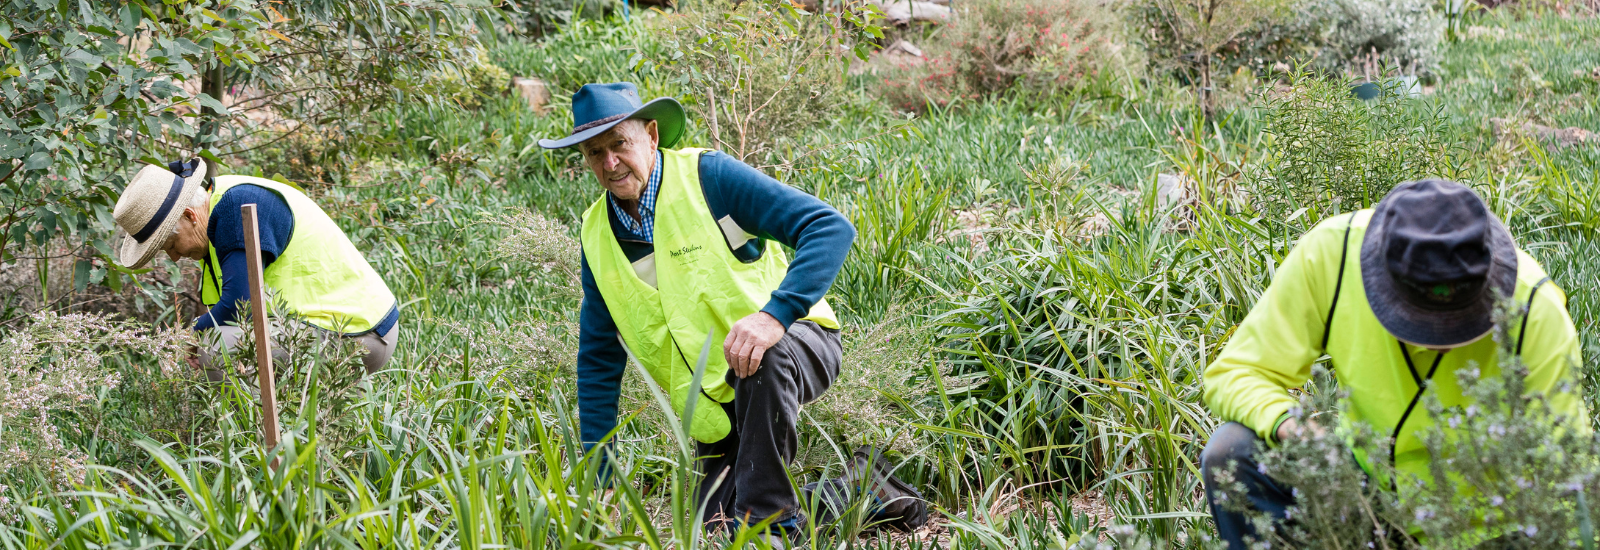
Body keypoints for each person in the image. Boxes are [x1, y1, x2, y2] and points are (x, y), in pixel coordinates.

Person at [539, 82, 922, 542]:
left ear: (652, 135)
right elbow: (599, 358)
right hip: (716, 404)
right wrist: (600, 479)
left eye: (620, 143)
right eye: (594, 152)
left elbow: (828, 226)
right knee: (718, 530)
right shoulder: (596, 236)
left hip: (794, 341)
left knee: (763, 378)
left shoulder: (710, 178)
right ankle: (864, 488)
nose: (609, 163)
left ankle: (771, 530)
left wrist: (774, 315)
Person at [1199, 179, 1587, 548]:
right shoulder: (1332, 255)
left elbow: (1570, 479)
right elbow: (1234, 372)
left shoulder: (1534, 309)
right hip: (1361, 494)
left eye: (1458, 323)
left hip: (1483, 527)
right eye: (1420, 320)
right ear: (1376, 279)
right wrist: (1296, 429)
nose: (1439, 339)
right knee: (1231, 453)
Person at [113, 159, 401, 376]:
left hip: (358, 334)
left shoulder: (238, 208)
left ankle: (256, 447)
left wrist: (192, 332)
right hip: (339, 329)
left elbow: (242, 305)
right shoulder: (218, 209)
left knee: (216, 347)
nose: (175, 258)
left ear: (190, 216)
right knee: (219, 344)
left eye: (171, 246)